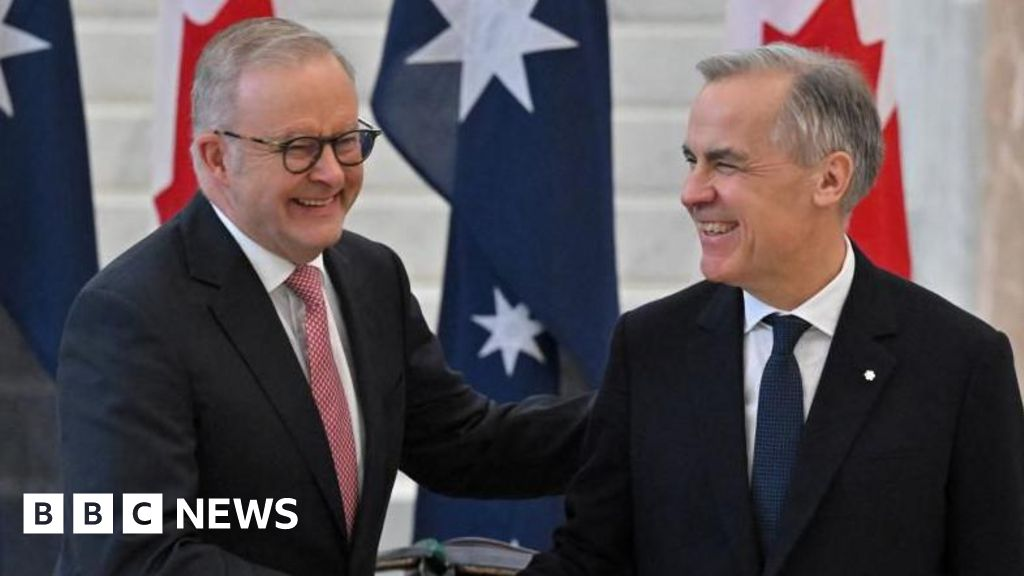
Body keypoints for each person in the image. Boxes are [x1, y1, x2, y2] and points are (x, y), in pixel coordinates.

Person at [56, 17, 589, 576]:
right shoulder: (129, 314)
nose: (332, 174)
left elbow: (462, 444)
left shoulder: (370, 274)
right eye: (300, 148)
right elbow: (135, 557)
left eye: (346, 142)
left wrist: (638, 401)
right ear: (216, 158)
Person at [524, 43, 1024, 575]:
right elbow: (592, 558)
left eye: (725, 164)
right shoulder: (650, 345)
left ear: (829, 179)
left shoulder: (960, 363)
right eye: (693, 161)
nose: (691, 193)